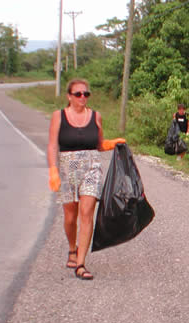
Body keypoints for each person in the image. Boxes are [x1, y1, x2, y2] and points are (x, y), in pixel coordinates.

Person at [47, 78, 126, 280]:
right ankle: (72, 249)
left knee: (86, 212)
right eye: (78, 94)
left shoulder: (96, 116)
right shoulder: (59, 116)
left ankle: (81, 263)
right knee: (70, 217)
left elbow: (99, 144)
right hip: (68, 167)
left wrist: (111, 144)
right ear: (69, 96)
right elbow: (52, 146)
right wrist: (53, 169)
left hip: (92, 166)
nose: (83, 98)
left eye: (86, 94)